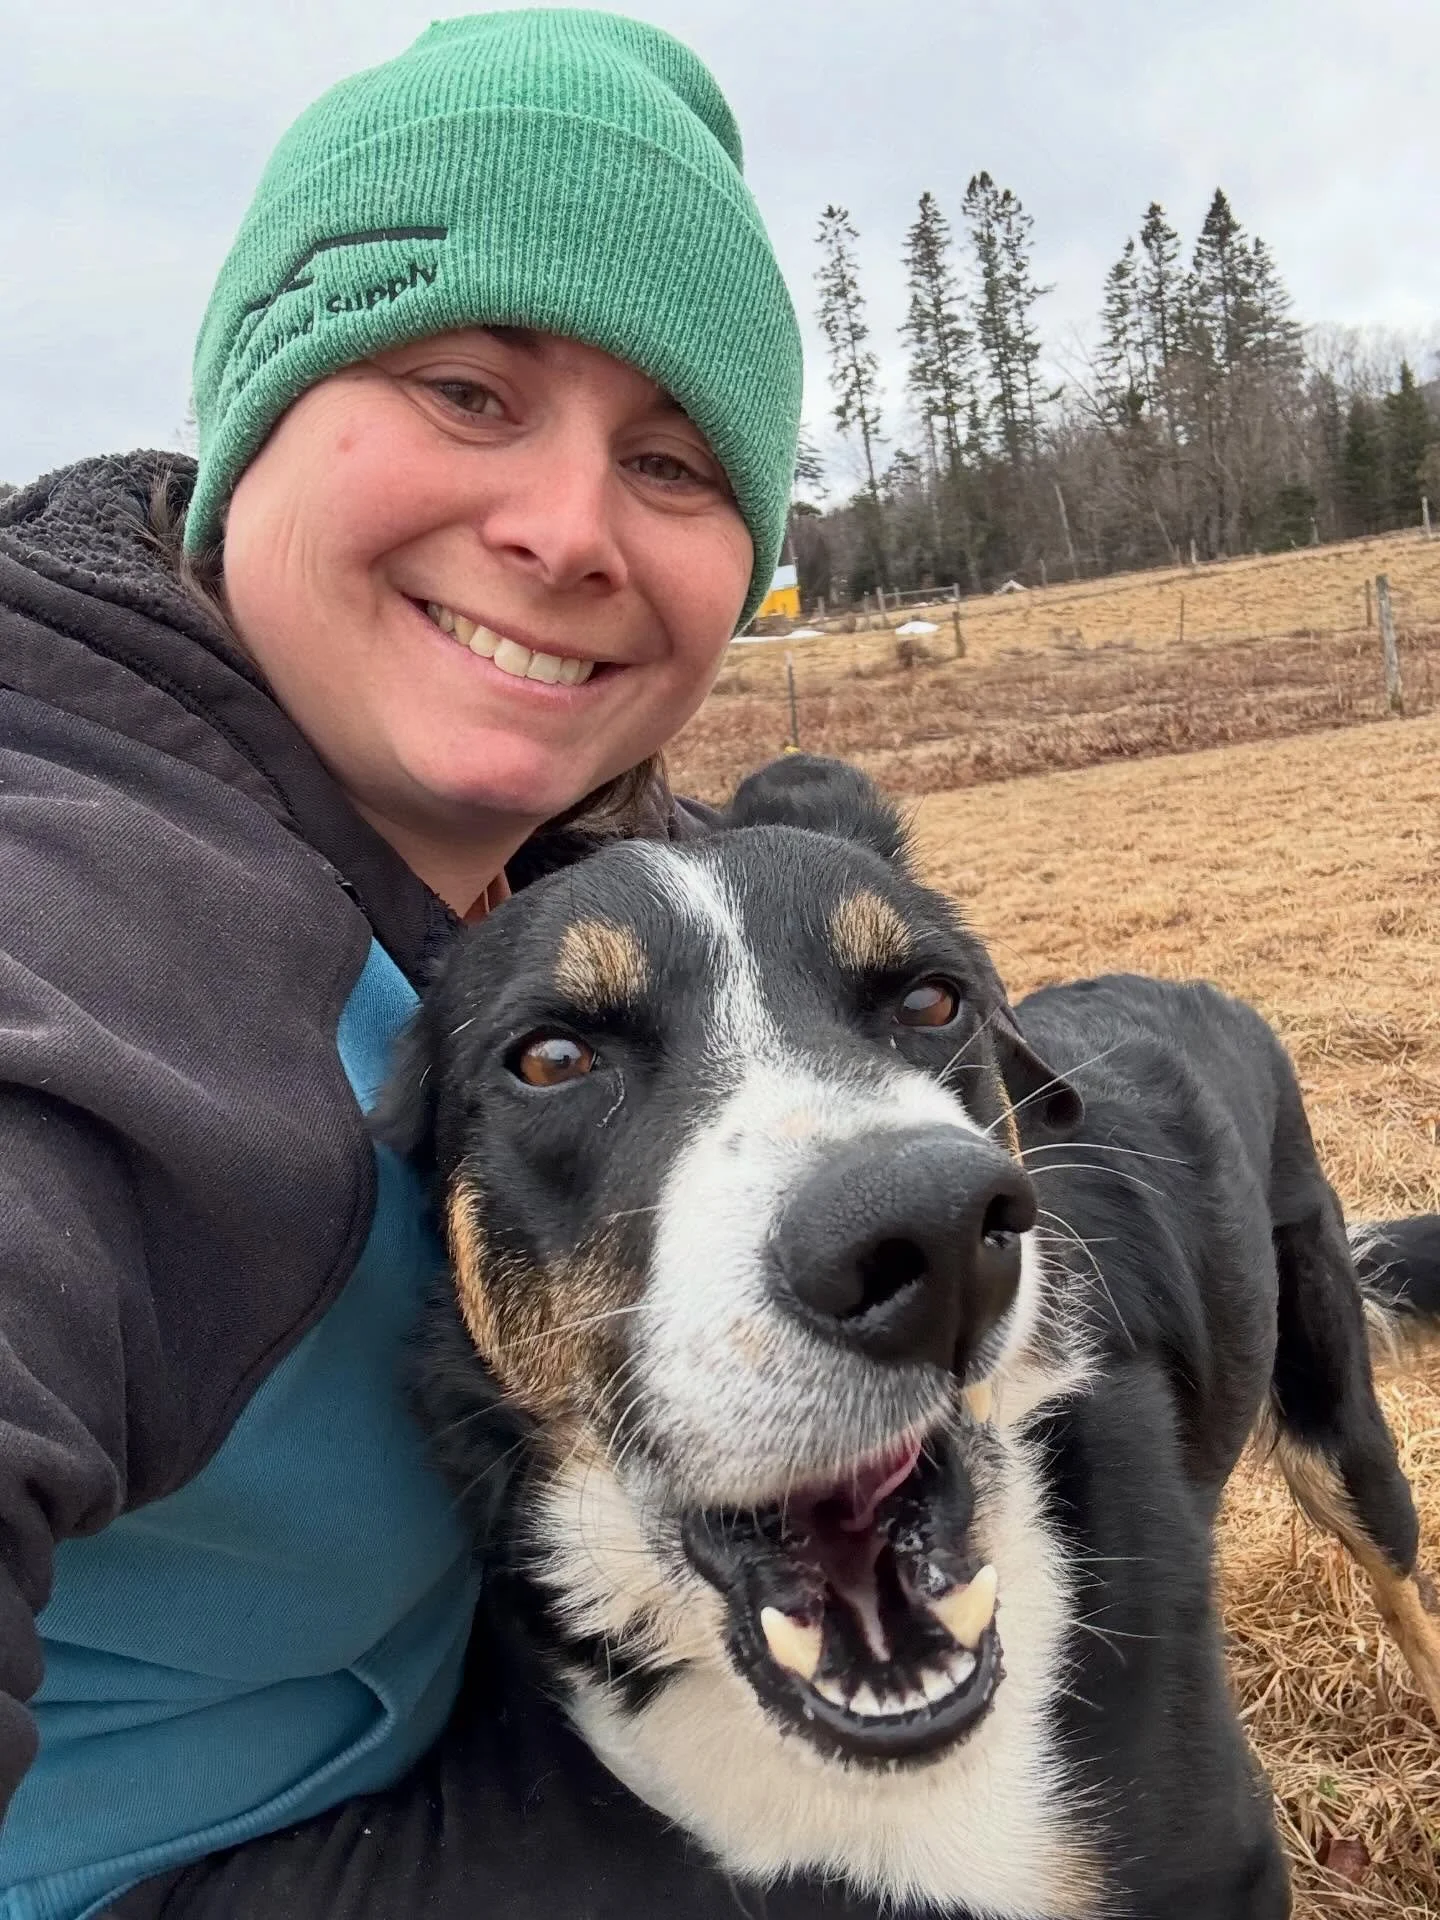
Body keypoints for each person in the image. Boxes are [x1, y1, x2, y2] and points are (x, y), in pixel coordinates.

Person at [0, 13, 853, 1917]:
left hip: (453, 1710)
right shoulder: (84, 922)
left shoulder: (584, 870)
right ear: (258, 408)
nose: (564, 531)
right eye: (468, 390)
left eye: (672, 461)